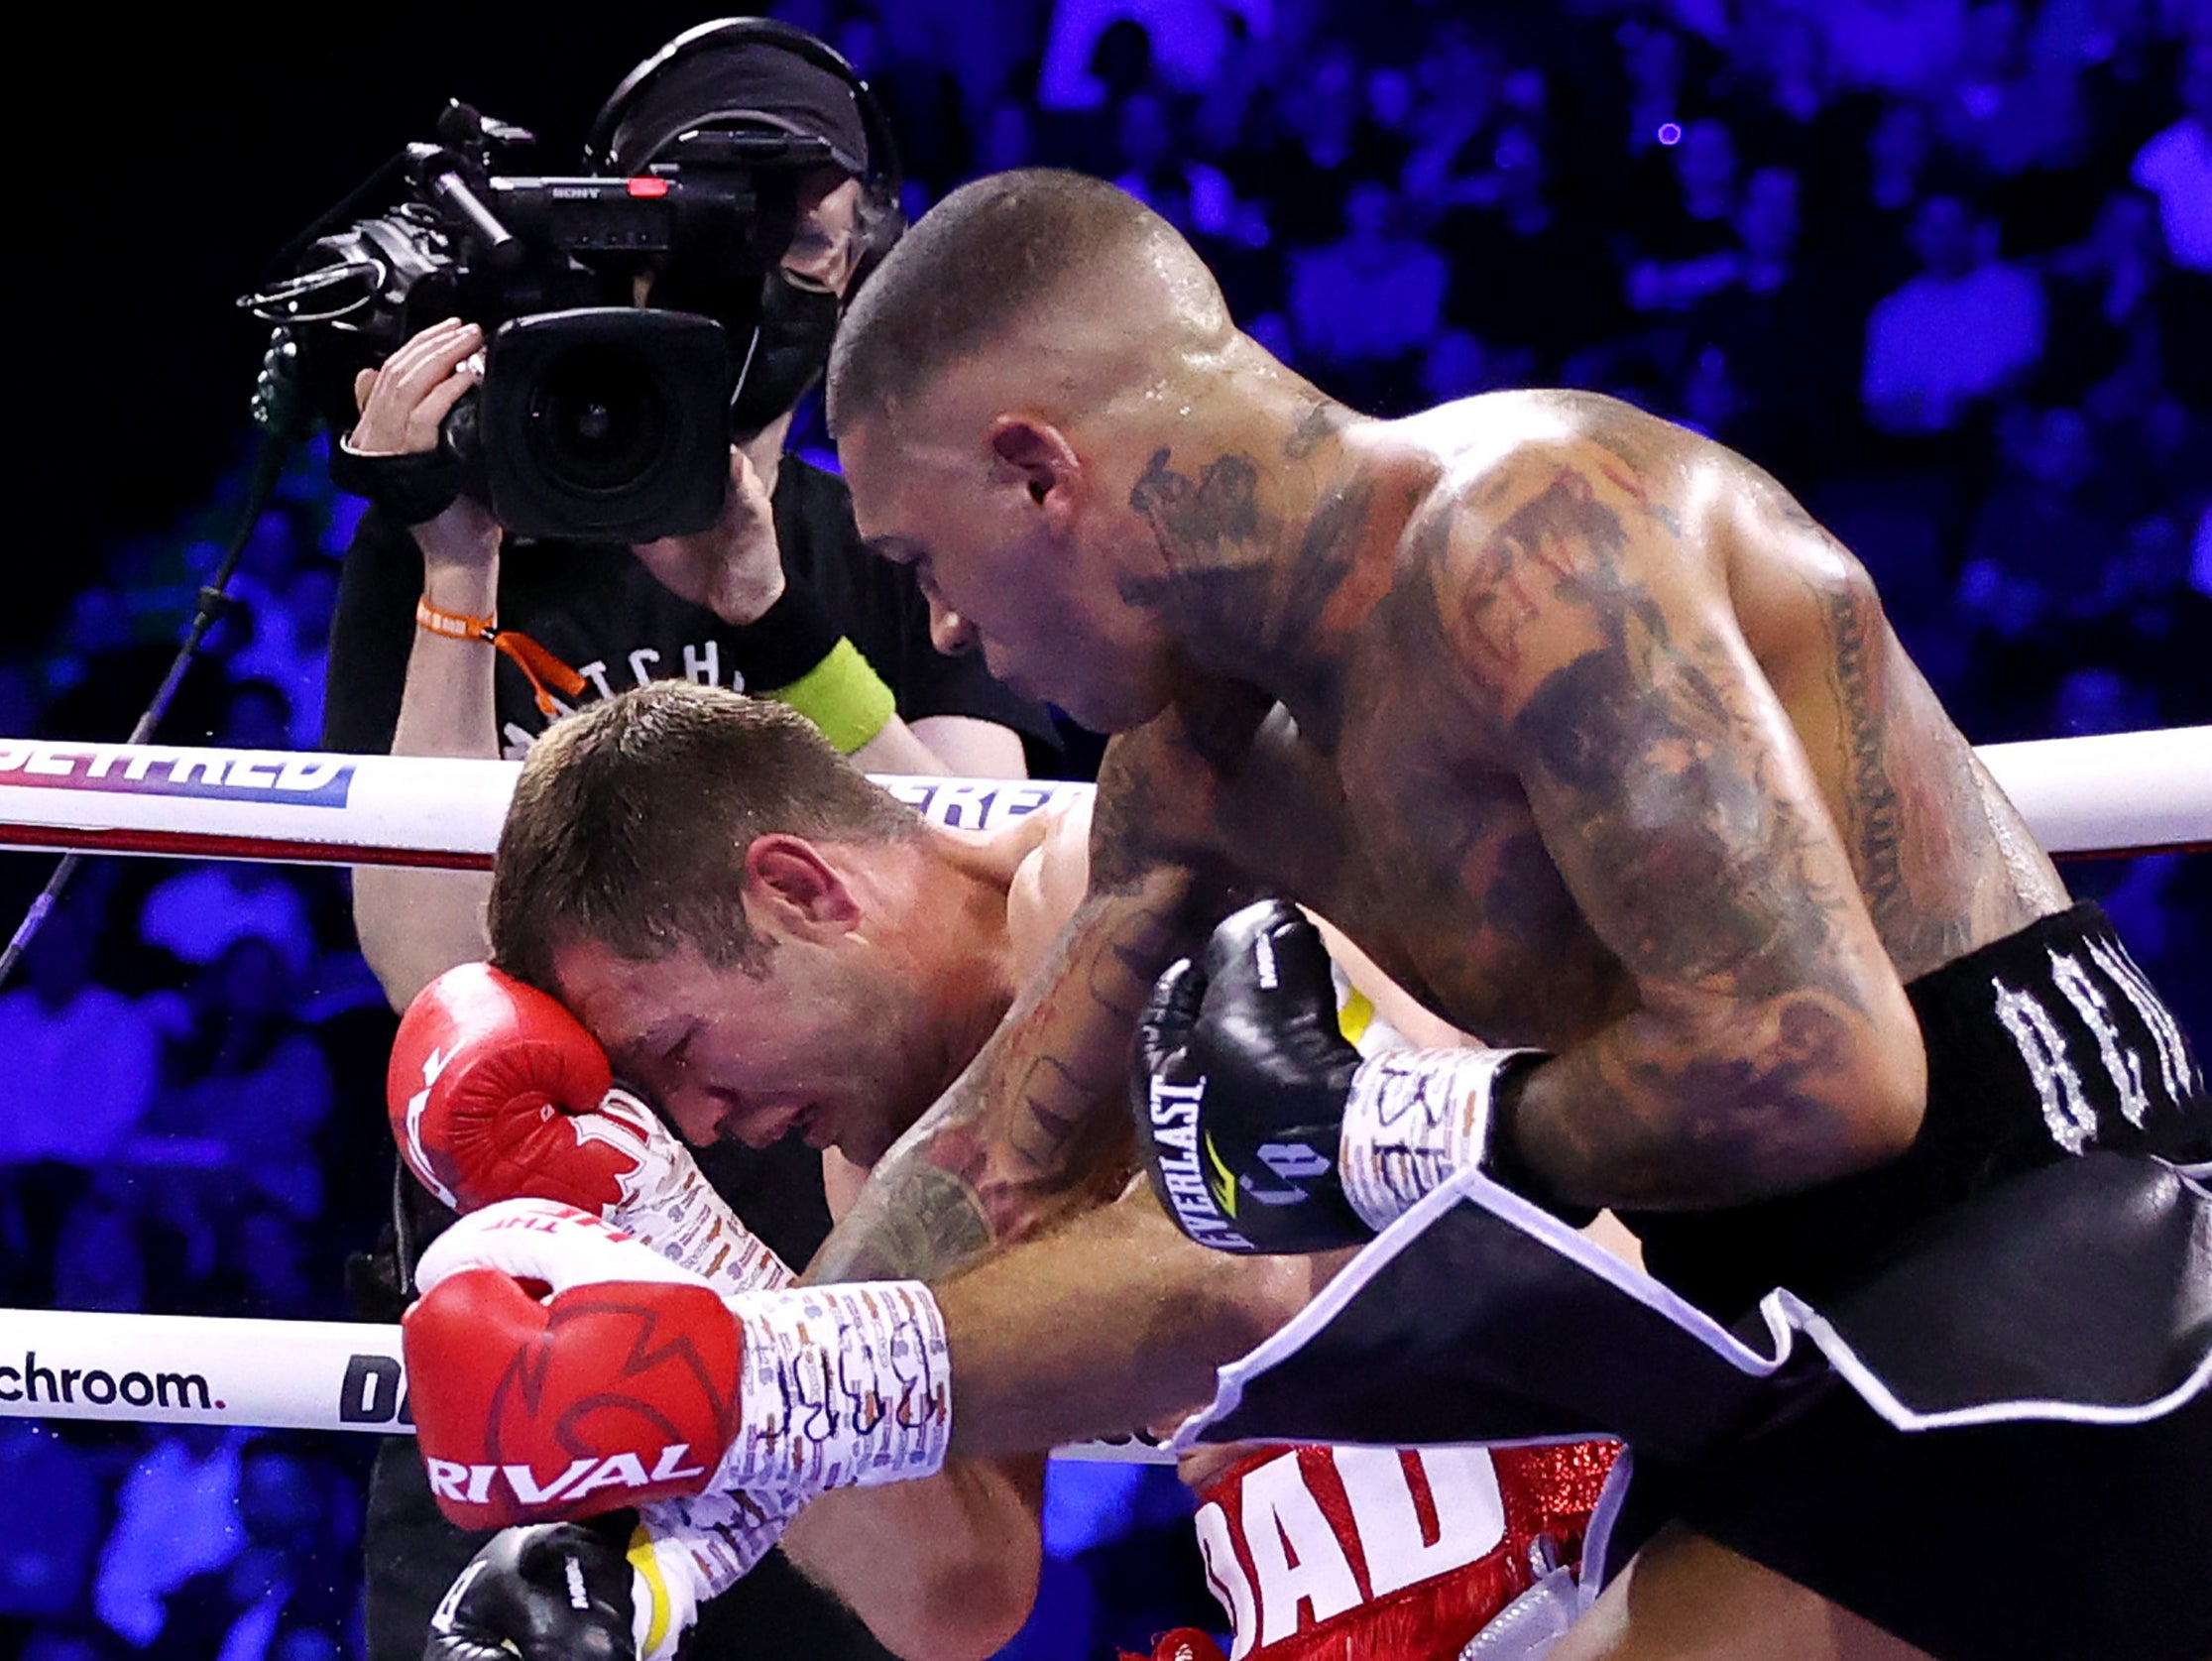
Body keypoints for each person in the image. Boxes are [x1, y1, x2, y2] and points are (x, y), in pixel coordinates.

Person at [405, 171, 2211, 1660]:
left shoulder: (1533, 538)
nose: (946, 631)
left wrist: (1419, 1128)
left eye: (934, 559)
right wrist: (701, 1507)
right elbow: (1002, 1160)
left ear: (1043, 470)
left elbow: (1833, 1072)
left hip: (2035, 1248)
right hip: (1774, 1348)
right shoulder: (1186, 775)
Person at [398, 679, 1622, 1660]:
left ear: (797, 888)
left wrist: (743, 1372)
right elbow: (955, 1592)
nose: (704, 1125)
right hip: (1333, 1590)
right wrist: (677, 1233)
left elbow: (1247, 1275)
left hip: (1594, 1508)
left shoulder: (1107, 882)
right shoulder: (870, 1168)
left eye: (678, 1050)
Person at [322, 27, 1049, 1661]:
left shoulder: (891, 520)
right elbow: (429, 975)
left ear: (865, 241)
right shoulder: (468, 518)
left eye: (803, 217)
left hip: (836, 1313)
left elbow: (989, 903)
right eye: (724, 209)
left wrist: (774, 616)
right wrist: (451, 563)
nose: (765, 261)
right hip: (535, 1308)